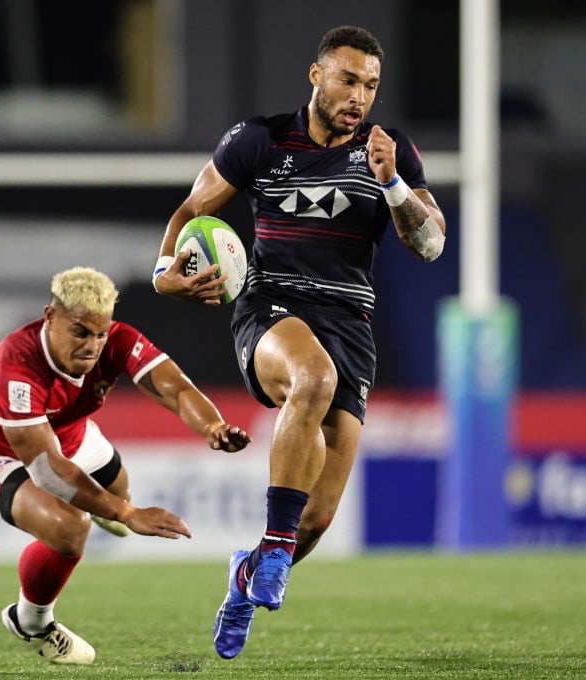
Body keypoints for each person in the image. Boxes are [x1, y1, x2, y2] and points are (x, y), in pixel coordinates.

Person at [152, 25, 447, 659]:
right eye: (347, 79)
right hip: (270, 306)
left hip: (351, 325)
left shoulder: (389, 152)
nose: (358, 96)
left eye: (370, 85)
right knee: (312, 378)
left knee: (315, 519)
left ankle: (248, 571)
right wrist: (163, 273)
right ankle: (276, 550)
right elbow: (188, 213)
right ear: (316, 76)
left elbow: (431, 245)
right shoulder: (259, 140)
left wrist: (394, 184)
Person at [0, 266, 251, 665]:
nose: (93, 345)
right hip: (3, 458)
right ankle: (30, 622)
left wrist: (212, 425)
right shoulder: (15, 365)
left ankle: (101, 509)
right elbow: (46, 468)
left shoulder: (117, 339)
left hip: (75, 437)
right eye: (80, 332)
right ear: (50, 318)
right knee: (70, 528)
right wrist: (128, 514)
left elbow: (174, 387)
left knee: (117, 494)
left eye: (101, 333)